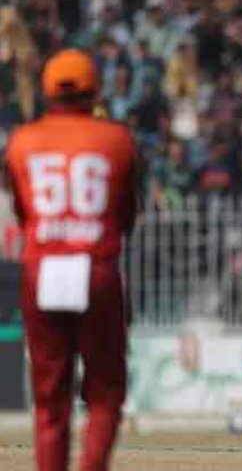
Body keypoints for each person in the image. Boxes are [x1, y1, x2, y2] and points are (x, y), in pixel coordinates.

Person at [3, 49, 140, 471]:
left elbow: (24, 215)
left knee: (49, 398)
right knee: (104, 392)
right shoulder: (116, 140)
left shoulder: (22, 142)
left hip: (42, 268)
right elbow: (126, 213)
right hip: (95, 267)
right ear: (93, 89)